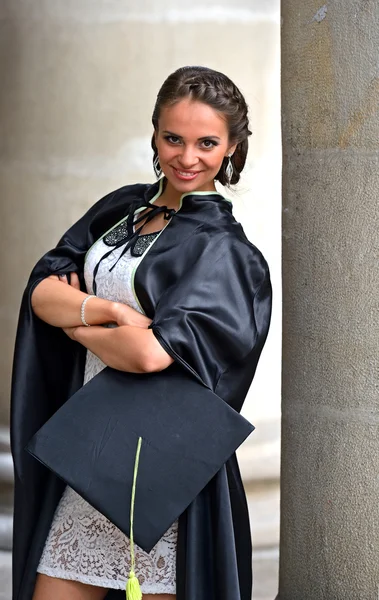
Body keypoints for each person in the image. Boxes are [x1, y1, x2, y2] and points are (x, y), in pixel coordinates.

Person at [10, 65, 272, 600]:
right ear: (154, 132)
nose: (187, 157)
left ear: (231, 149)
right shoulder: (120, 210)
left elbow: (149, 356)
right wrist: (113, 312)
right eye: (173, 138)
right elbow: (41, 290)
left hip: (157, 476)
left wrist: (78, 321)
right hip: (87, 457)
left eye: (206, 142)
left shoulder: (225, 252)